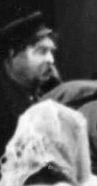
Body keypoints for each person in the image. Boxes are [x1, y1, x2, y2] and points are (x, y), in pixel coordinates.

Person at [0, 11, 57, 150]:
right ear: (12, 54)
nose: (51, 60)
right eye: (41, 51)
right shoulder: (4, 103)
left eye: (51, 52)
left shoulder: (50, 88)